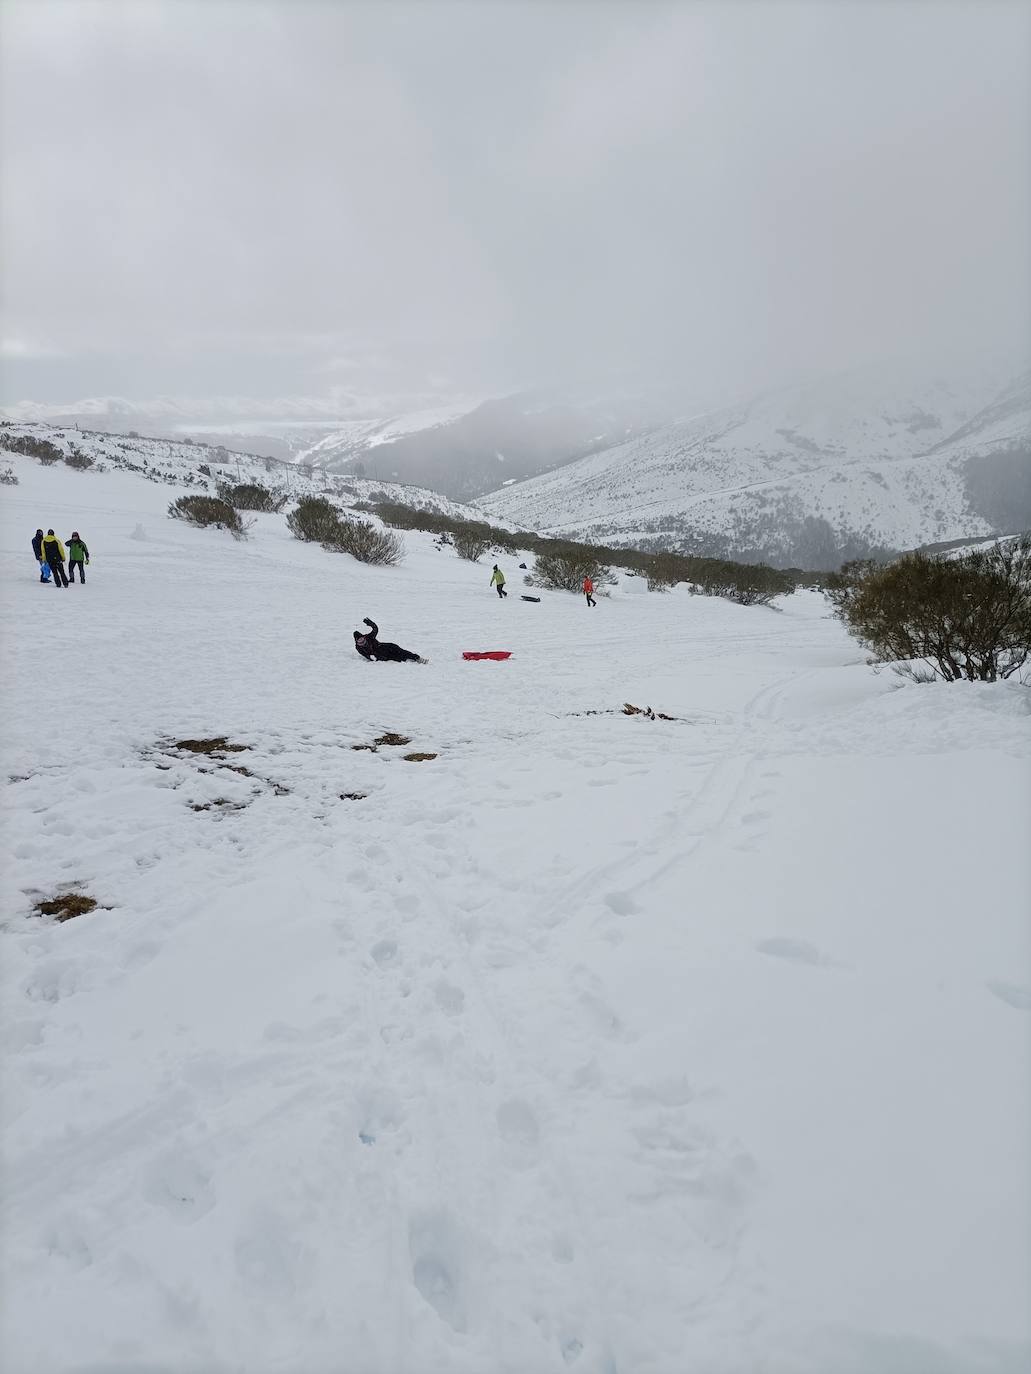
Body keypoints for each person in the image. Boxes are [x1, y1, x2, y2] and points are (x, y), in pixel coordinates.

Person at [353, 618, 426, 663]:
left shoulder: (369, 637)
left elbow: (375, 629)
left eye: (362, 639)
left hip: (384, 647)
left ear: (364, 637)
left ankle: (417, 658)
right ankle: (409, 661)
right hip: (380, 655)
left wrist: (372, 624)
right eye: (359, 641)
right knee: (398, 658)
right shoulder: (358, 648)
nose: (362, 642)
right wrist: (373, 658)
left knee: (401, 651)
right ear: (356, 641)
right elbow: (366, 655)